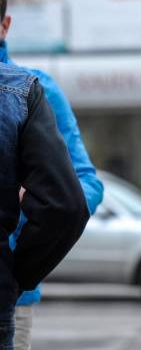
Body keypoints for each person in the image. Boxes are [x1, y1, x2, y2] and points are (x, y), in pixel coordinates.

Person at [0, 0, 104, 350]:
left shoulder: (32, 89)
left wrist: (18, 267)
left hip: (10, 298)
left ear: (5, 25)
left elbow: (83, 185)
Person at [0, 61, 90, 349]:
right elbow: (65, 206)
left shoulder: (33, 87)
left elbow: (83, 183)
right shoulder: (20, 91)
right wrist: (17, 275)